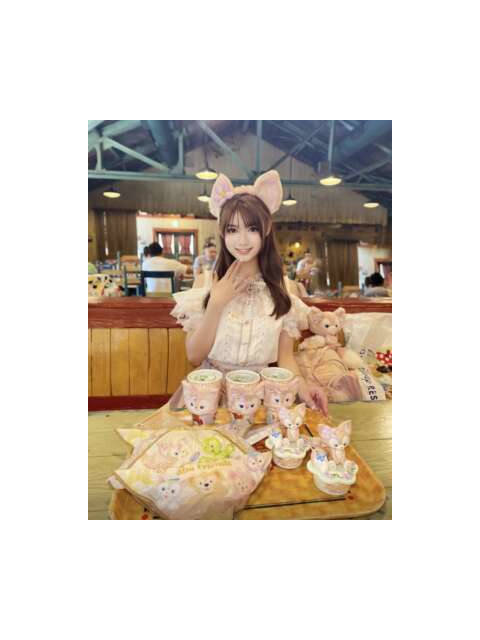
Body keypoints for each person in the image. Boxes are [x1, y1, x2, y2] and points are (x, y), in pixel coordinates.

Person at [169, 170, 329, 415]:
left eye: (252, 228)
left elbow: (285, 358)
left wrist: (304, 388)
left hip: (262, 398)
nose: (242, 240)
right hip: (209, 397)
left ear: (266, 228)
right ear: (222, 232)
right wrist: (216, 304)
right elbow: (194, 356)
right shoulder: (205, 283)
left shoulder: (284, 289)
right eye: (232, 230)